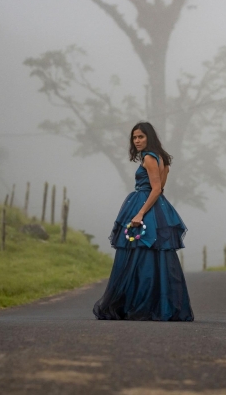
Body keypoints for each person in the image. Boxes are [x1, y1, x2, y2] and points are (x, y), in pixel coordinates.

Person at [93, 122, 194, 321]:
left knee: (139, 256)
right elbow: (161, 188)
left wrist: (140, 214)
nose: (137, 141)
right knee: (155, 257)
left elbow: (156, 189)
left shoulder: (149, 158)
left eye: (141, 137)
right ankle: (159, 305)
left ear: (149, 137)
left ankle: (140, 305)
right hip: (157, 208)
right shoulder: (162, 158)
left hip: (146, 205)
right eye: (134, 137)